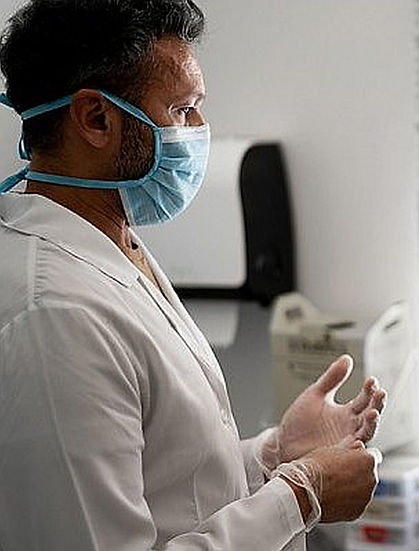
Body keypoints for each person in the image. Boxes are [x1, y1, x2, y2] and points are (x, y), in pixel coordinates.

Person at [0, 1, 386, 549]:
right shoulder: (55, 316)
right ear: (96, 118)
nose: (200, 130)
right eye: (182, 110)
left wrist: (276, 452)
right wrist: (300, 497)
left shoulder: (115, 247)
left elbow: (173, 485)